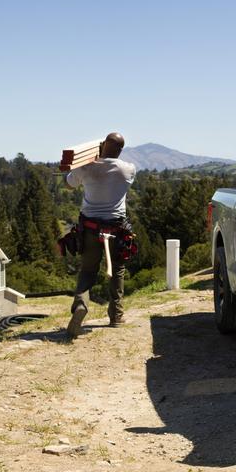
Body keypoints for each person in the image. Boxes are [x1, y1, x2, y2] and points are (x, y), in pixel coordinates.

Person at [63, 133, 136, 338]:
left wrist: (87, 161)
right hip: (116, 229)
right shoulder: (128, 169)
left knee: (87, 271)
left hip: (90, 228)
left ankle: (80, 305)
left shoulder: (86, 167)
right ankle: (116, 315)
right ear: (120, 150)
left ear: (102, 145)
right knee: (118, 270)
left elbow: (68, 184)